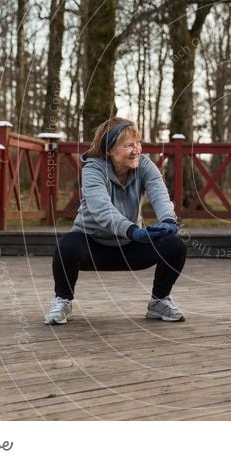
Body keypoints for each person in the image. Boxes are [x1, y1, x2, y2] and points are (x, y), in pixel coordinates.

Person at [44, 117, 187, 325]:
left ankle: (159, 301)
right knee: (66, 246)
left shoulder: (144, 165)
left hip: (128, 247)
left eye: (137, 143)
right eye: (128, 145)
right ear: (109, 149)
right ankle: (63, 301)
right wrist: (133, 231)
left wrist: (168, 221)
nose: (136, 149)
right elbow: (102, 209)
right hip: (92, 246)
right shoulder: (92, 170)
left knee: (174, 246)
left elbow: (159, 193)